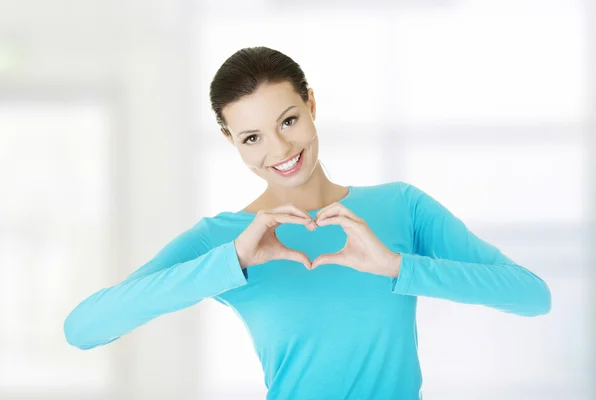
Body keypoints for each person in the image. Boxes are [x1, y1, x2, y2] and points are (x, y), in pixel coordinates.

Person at [63, 46, 552, 399]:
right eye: (251, 137)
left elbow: (532, 296)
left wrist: (398, 267)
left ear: (311, 105)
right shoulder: (224, 239)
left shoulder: (402, 207)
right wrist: (230, 262)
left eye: (288, 121)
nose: (278, 150)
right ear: (229, 139)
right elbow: (84, 328)